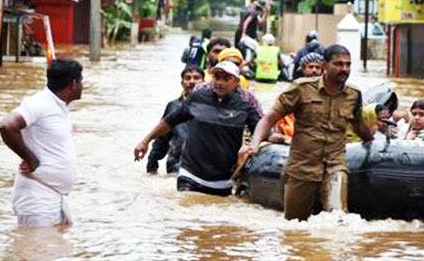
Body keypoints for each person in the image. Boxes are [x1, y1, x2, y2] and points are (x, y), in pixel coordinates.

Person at [241, 45, 374, 220]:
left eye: (348, 65)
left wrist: (375, 140)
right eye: (339, 64)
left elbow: (359, 125)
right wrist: (254, 144)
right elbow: (269, 118)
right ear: (324, 65)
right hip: (302, 167)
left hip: (335, 165)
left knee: (338, 218)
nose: (344, 69)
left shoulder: (353, 95)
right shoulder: (301, 89)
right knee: (295, 225)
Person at [134, 61, 261, 196]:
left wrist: (256, 145)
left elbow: (260, 131)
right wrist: (145, 141)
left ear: (236, 82)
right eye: (217, 77)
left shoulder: (245, 106)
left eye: (226, 78)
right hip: (190, 174)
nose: (220, 82)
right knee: (185, 210)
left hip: (222, 181)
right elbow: (170, 121)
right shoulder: (197, 98)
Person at [0, 59, 83, 226]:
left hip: (55, 196)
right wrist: (31, 159)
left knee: (54, 250)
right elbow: (6, 126)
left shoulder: (59, 106)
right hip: (37, 197)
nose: (83, 85)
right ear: (73, 83)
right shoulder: (40, 103)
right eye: (81, 80)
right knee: (35, 250)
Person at [145, 65, 204, 174]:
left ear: (204, 82)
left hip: (202, 166)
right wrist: (152, 164)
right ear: (182, 83)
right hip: (176, 165)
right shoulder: (173, 106)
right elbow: (162, 138)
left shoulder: (212, 107)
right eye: (188, 78)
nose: (192, 81)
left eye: (196, 78)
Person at [268, 53, 324, 144]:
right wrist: (284, 138)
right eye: (310, 67)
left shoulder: (327, 94)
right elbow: (273, 130)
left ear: (322, 70)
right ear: (303, 69)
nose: (314, 70)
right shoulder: (290, 93)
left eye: (317, 67)